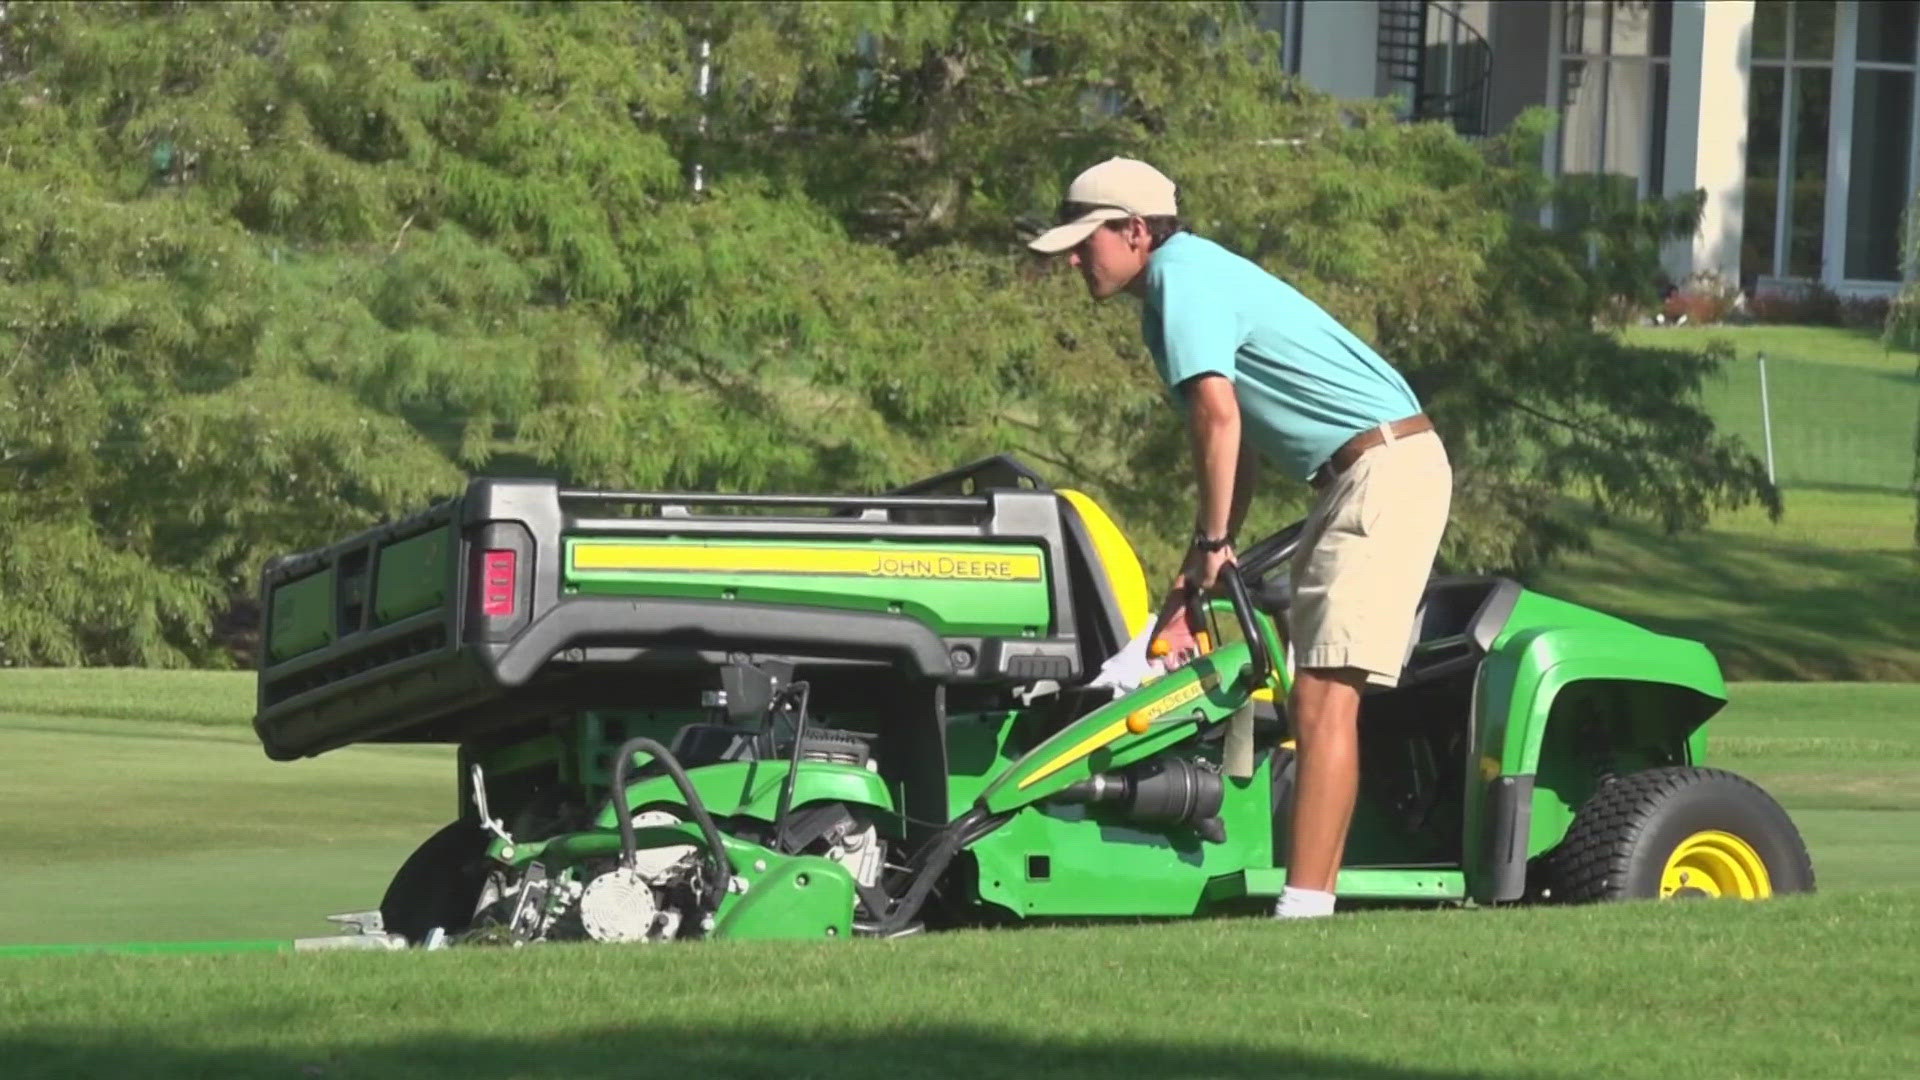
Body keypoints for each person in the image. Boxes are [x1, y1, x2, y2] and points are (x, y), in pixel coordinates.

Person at [1027, 157, 1453, 920]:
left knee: (1324, 701)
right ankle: (1302, 894)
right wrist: (1206, 556)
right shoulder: (1180, 283)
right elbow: (1243, 438)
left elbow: (1219, 419)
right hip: (1360, 472)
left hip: (1382, 470)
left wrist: (1215, 538)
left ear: (1134, 232)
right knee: (1310, 696)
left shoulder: (1182, 283)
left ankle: (1306, 910)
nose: (1071, 258)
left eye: (1084, 240)